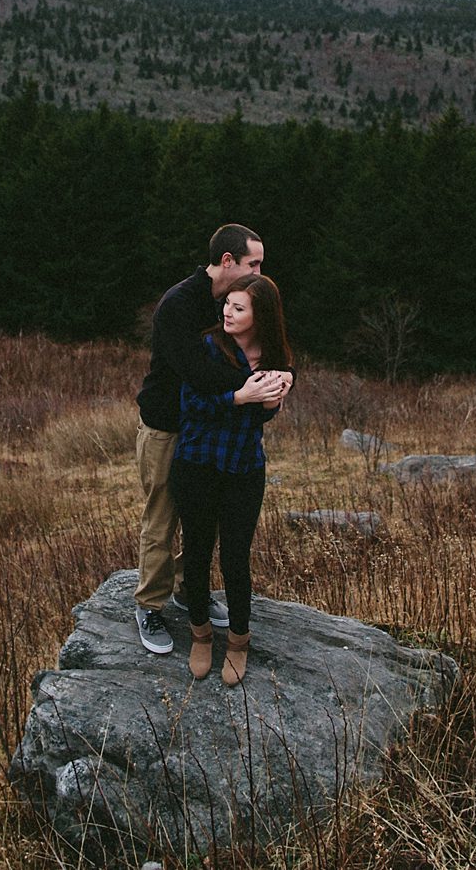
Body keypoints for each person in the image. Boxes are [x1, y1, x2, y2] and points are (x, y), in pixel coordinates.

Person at [132, 225, 291, 655]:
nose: (259, 271)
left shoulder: (230, 303)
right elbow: (197, 375)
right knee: (162, 518)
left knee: (200, 523)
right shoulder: (179, 305)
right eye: (252, 263)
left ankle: (189, 591)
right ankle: (149, 604)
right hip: (168, 426)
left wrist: (278, 377)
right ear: (227, 262)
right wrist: (252, 387)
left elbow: (260, 346)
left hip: (207, 432)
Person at [172, 272, 293, 685]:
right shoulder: (208, 347)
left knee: (236, 557)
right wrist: (240, 397)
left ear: (259, 317)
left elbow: (264, 415)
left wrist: (272, 397)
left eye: (238, 308)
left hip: (243, 467)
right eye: (228, 304)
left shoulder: (273, 358)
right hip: (198, 463)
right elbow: (191, 405)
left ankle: (239, 640)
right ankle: (201, 635)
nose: (227, 311)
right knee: (198, 553)